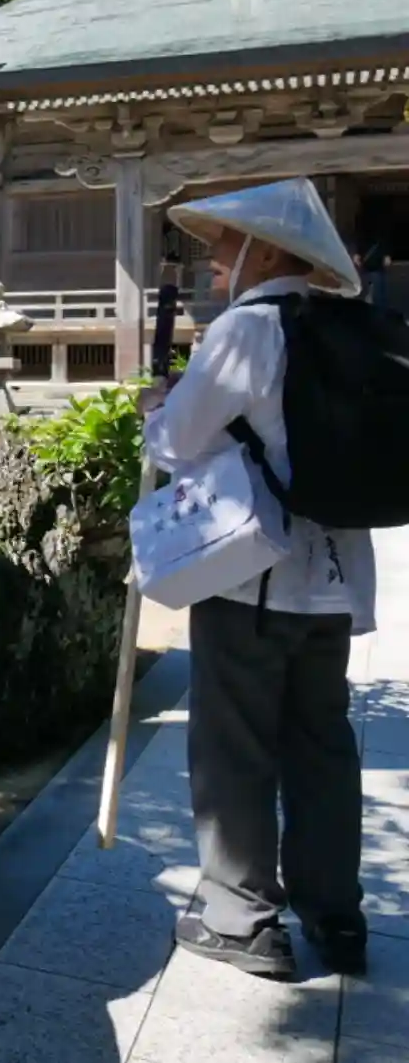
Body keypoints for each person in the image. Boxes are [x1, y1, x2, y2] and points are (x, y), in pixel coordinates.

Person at [140, 177, 376, 982]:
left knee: (235, 746)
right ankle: (337, 916)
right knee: (322, 744)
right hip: (335, 585)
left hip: (251, 578)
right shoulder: (343, 326)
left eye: (227, 244)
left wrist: (156, 410)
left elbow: (177, 441)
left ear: (269, 253)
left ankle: (241, 917)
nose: (215, 260)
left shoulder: (248, 328)